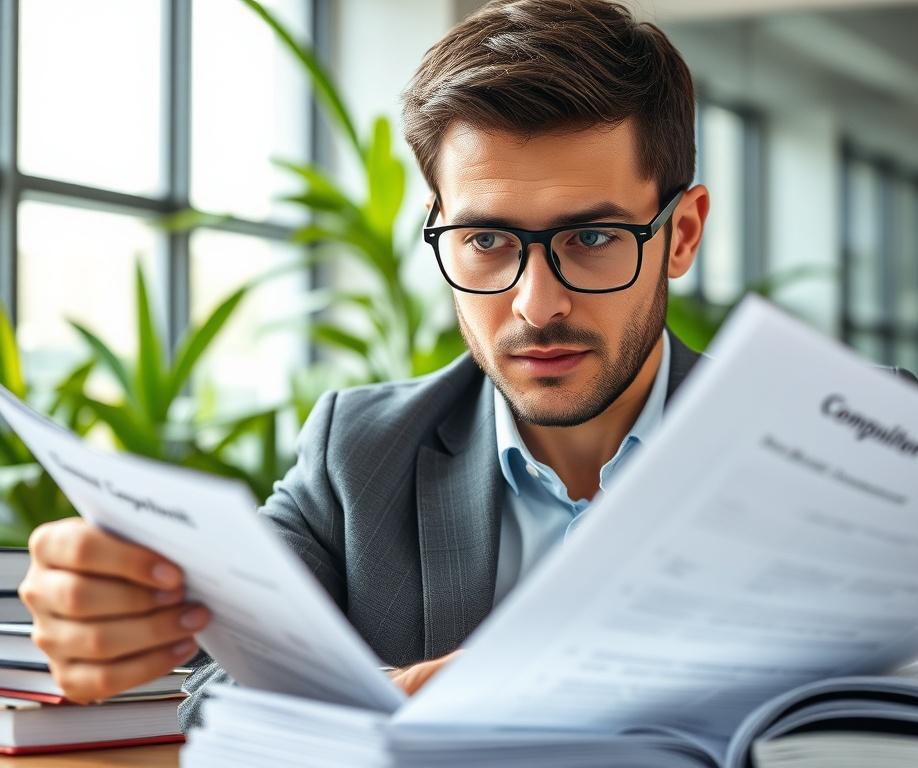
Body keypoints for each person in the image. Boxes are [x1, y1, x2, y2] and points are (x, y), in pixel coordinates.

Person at [17, 0, 711, 729]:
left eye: (593, 238)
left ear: (682, 234)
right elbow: (220, 682)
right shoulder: (360, 452)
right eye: (485, 240)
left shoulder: (801, 459)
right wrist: (397, 696)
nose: (537, 305)